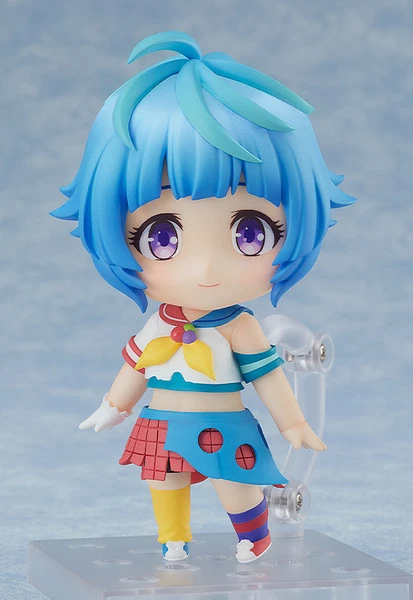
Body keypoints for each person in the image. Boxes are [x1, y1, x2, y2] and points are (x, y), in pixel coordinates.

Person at [52, 31, 354, 563]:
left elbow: (268, 377)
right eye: (162, 237)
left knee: (235, 482)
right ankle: (173, 538)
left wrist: (294, 424)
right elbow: (136, 368)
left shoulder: (239, 326)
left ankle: (253, 534)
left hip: (224, 419)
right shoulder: (158, 324)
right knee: (162, 480)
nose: (207, 269)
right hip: (162, 419)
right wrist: (113, 406)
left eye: (251, 233)